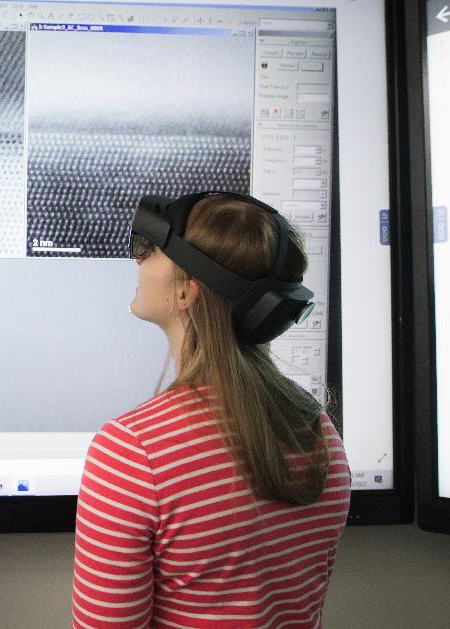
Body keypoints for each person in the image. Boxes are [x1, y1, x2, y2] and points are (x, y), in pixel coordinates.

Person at [71, 192, 351, 628]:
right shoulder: (318, 431)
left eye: (147, 250)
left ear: (187, 291)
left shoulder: (133, 453)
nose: (137, 262)